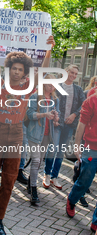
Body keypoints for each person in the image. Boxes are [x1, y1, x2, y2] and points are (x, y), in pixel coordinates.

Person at [0, 27, 55, 235]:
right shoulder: (0, 84)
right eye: (14, 68)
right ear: (9, 69)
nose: (17, 72)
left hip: (17, 135)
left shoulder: (28, 88)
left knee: (10, 178)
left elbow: (43, 72)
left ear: (24, 72)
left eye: (21, 70)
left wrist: (48, 50)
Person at [43, 64, 85, 190]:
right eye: (71, 72)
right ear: (65, 72)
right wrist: (55, 118)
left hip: (69, 124)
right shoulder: (57, 86)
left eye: (75, 74)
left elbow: (83, 105)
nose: (73, 75)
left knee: (61, 152)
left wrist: (74, 115)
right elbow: (52, 102)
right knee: (52, 149)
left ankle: (54, 177)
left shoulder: (78, 89)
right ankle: (47, 174)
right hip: (56, 123)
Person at [66, 89, 97, 233]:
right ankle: (72, 200)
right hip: (91, 148)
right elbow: (81, 124)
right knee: (85, 180)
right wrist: (77, 146)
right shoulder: (91, 100)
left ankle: (96, 221)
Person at [26, 74, 60, 204]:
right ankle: (34, 189)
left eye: (53, 83)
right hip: (35, 133)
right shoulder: (35, 96)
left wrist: (55, 118)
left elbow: (54, 118)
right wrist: (44, 114)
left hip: (47, 135)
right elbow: (30, 114)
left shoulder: (54, 99)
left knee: (39, 161)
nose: (51, 86)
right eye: (49, 83)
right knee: (35, 160)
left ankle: (31, 181)